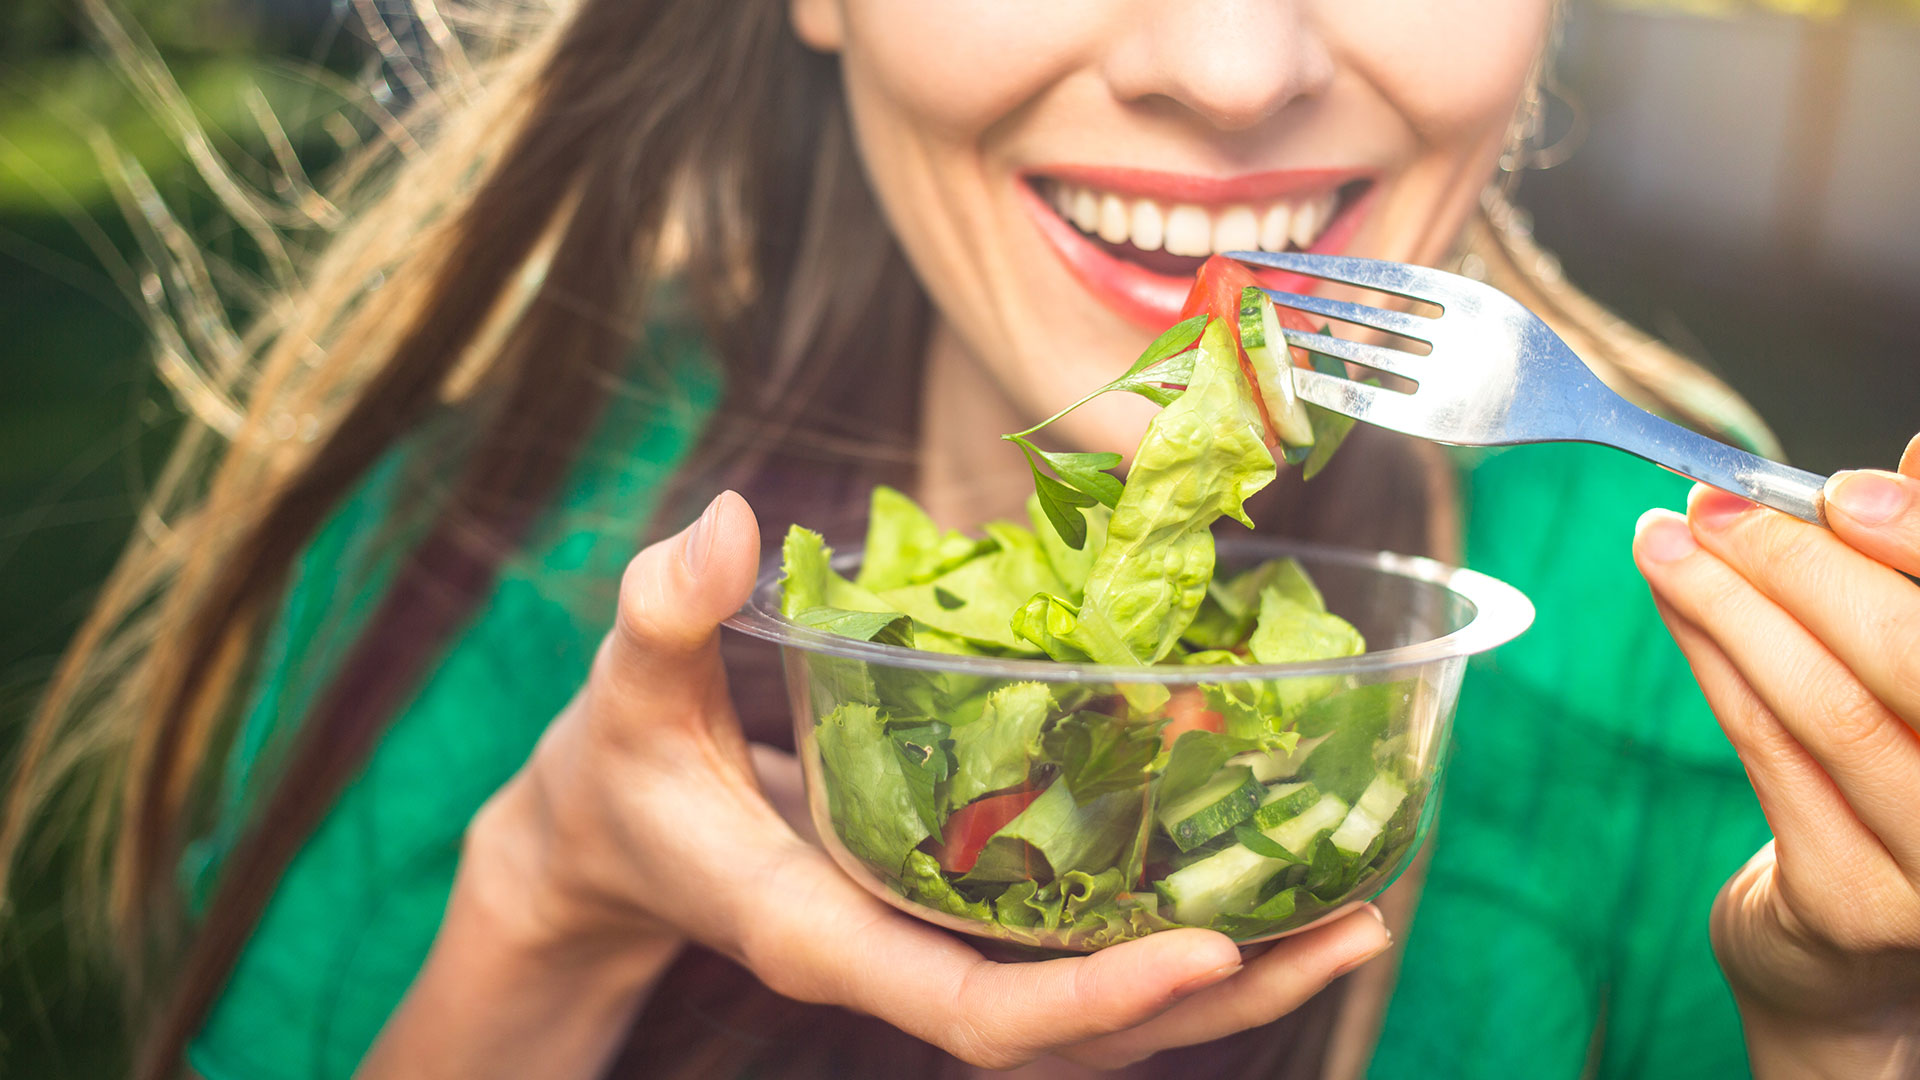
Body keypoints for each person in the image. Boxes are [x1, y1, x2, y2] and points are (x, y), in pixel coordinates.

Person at [5, 0, 1915, 1077]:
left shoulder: (1710, 629)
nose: (1234, 69)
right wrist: (552, 901)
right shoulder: (496, 544)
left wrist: (1852, 1026)